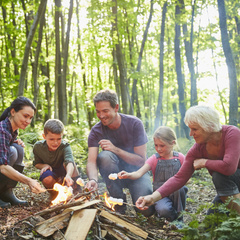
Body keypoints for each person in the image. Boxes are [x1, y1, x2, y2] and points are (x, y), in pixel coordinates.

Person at [136, 105, 240, 215]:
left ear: (209, 126)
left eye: (194, 129)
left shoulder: (232, 133)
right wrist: (152, 198)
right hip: (230, 189)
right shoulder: (198, 148)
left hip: (233, 180)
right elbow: (179, 178)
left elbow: (229, 167)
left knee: (218, 176)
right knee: (208, 226)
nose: (191, 134)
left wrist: (204, 162)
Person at [85, 89, 154, 216]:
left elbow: (141, 161)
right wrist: (93, 179)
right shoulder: (96, 131)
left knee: (146, 211)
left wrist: (115, 149)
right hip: (114, 176)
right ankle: (119, 204)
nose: (101, 115)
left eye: (105, 111)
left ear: (116, 108)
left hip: (137, 173)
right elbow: (91, 161)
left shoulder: (134, 124)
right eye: (98, 111)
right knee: (104, 156)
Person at [118, 126, 188, 222]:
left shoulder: (180, 158)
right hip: (159, 195)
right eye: (156, 145)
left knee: (180, 188)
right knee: (164, 210)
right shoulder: (154, 159)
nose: (158, 149)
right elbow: (139, 173)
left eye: (162, 145)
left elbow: (186, 178)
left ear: (173, 143)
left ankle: (179, 220)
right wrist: (129, 175)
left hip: (177, 195)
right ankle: (170, 216)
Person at [0, 96, 45, 208]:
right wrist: (29, 181)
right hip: (2, 166)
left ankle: (6, 192)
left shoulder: (12, 130)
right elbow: (2, 166)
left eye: (30, 118)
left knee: (18, 148)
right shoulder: (2, 130)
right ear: (13, 112)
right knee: (13, 151)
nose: (28, 121)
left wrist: (12, 141)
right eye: (25, 116)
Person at [33, 119, 80, 199]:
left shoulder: (65, 146)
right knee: (46, 178)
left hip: (64, 171)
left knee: (71, 165)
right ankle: (55, 194)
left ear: (62, 136)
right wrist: (44, 165)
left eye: (59, 139)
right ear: (44, 136)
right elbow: (36, 164)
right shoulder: (38, 147)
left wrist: (68, 175)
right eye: (51, 139)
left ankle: (76, 189)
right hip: (52, 173)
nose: (55, 143)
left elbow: (69, 162)